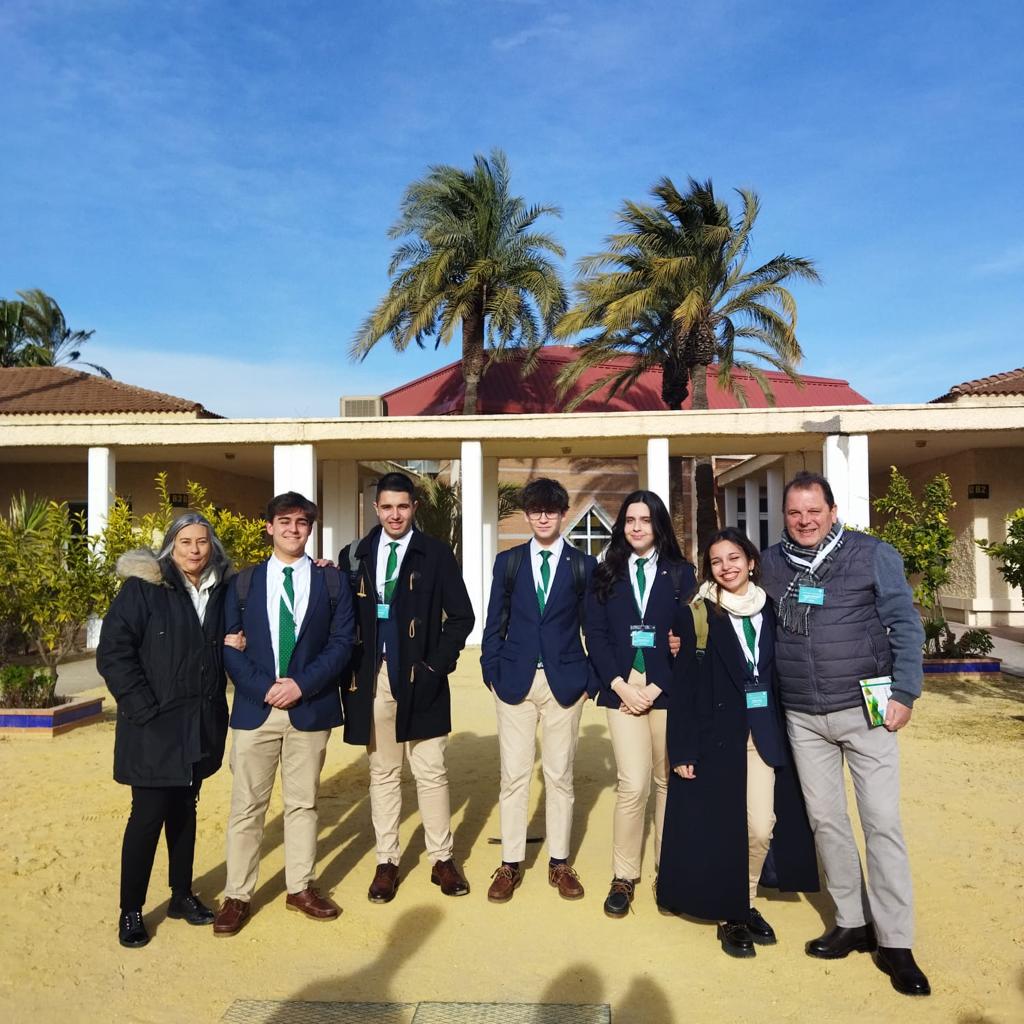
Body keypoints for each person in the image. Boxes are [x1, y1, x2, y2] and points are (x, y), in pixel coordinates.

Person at [760, 470, 930, 996]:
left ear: (833, 512)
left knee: (881, 823)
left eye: (814, 511)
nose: (805, 521)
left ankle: (896, 941)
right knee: (827, 823)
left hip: (867, 710)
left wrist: (905, 691)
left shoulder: (872, 554)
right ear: (785, 516)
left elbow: (905, 624)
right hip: (804, 715)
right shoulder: (771, 564)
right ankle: (852, 921)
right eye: (795, 512)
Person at [657, 527, 819, 957]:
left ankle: (743, 901)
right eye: (716, 561)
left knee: (761, 827)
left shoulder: (773, 611)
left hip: (762, 733)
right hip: (715, 738)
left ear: (750, 562)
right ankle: (733, 913)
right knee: (724, 829)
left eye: (733, 558)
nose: (726, 567)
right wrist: (682, 748)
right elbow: (684, 688)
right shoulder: (696, 615)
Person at [97, 513, 242, 949]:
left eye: (202, 542)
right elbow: (114, 652)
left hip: (199, 724)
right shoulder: (145, 588)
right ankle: (131, 910)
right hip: (153, 726)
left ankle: (181, 895)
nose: (195, 550)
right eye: (185, 542)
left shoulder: (222, 588)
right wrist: (142, 707)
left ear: (212, 546)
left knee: (184, 811)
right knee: (146, 817)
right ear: (170, 547)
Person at [213, 492, 354, 936]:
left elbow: (342, 643)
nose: (294, 529)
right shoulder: (243, 584)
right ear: (269, 527)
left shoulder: (331, 582)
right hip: (256, 708)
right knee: (246, 807)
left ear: (310, 528)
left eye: (302, 522)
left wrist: (300, 685)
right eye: (285, 521)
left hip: (309, 707)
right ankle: (237, 895)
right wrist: (266, 688)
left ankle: (300, 887)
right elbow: (229, 646)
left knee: (303, 803)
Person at [339, 472, 475, 903]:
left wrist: (436, 666)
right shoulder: (355, 554)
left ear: (414, 507)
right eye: (387, 507)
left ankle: (441, 859)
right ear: (375, 509)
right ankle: (387, 861)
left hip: (421, 675)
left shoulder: (435, 553)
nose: (394, 515)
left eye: (402, 506)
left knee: (430, 770)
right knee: (383, 772)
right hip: (373, 677)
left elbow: (462, 617)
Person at [480, 477, 597, 903]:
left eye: (550, 510)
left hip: (565, 683)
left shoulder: (583, 565)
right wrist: (491, 672)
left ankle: (559, 863)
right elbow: (495, 622)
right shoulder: (508, 563)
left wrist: (589, 680)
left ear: (563, 514)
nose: (543, 518)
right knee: (513, 775)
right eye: (535, 511)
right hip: (514, 681)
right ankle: (510, 864)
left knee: (559, 775)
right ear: (527, 515)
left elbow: (593, 627)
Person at [585, 489, 696, 918]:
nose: (637, 527)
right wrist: (621, 686)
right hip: (621, 689)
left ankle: (669, 873)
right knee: (633, 784)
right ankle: (623, 875)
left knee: (667, 782)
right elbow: (595, 634)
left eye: (645, 520)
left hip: (666, 689)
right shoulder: (605, 572)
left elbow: (689, 640)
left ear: (658, 525)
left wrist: (654, 688)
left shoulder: (681, 574)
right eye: (630, 520)